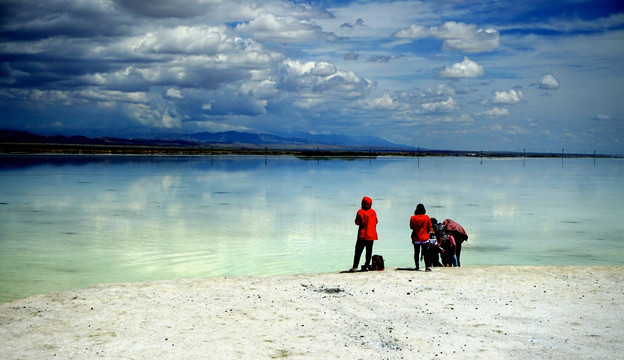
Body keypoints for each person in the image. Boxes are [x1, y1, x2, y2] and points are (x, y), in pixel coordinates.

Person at [348, 196, 378, 272]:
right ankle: (367, 266)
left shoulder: (360, 211)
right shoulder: (373, 212)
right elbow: (376, 221)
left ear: (363, 203)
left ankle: (355, 267)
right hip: (371, 235)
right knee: (369, 252)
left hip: (363, 235)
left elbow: (357, 222)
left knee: (358, 252)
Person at [410, 204, 433, 271]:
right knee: (426, 253)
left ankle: (417, 266)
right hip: (425, 238)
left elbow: (411, 227)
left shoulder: (412, 218)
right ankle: (427, 267)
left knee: (416, 253)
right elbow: (429, 226)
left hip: (416, 237)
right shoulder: (427, 217)